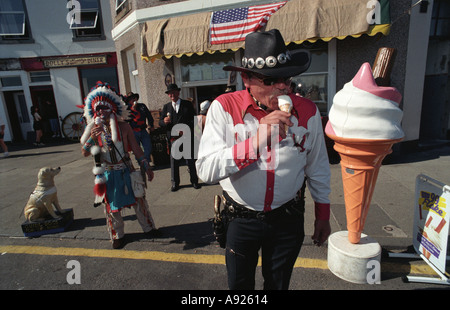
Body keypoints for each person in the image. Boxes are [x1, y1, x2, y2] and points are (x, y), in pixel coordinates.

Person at [196, 29, 331, 290]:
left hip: (288, 217)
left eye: (286, 78)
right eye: (270, 80)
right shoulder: (224, 107)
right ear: (246, 78)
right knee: (240, 286)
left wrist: (322, 214)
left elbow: (318, 167)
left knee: (278, 285)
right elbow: (205, 169)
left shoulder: (308, 111)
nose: (282, 86)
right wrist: (256, 142)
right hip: (241, 218)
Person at [80, 82, 160, 249]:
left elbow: (137, 150)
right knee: (112, 208)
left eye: (104, 107)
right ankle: (118, 235)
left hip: (126, 169)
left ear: (112, 108)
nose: (101, 111)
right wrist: (93, 139)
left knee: (139, 201)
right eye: (98, 108)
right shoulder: (93, 129)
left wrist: (146, 166)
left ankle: (149, 228)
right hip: (107, 173)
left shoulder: (124, 127)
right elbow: (85, 152)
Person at [159, 83, 200, 191]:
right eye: (169, 93)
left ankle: (194, 181)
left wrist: (186, 128)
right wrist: (164, 121)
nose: (172, 95)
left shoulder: (187, 104)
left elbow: (194, 120)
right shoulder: (166, 107)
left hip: (186, 137)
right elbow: (160, 122)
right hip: (174, 139)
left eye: (173, 92)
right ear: (168, 95)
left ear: (178, 92)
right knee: (174, 162)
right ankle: (175, 184)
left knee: (190, 161)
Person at [127, 92, 154, 166]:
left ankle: (147, 162)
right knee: (136, 149)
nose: (133, 99)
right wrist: (133, 109)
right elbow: (126, 120)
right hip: (133, 131)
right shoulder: (127, 109)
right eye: (131, 98)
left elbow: (149, 116)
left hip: (143, 130)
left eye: (134, 98)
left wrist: (151, 125)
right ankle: (141, 164)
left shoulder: (142, 106)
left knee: (148, 147)